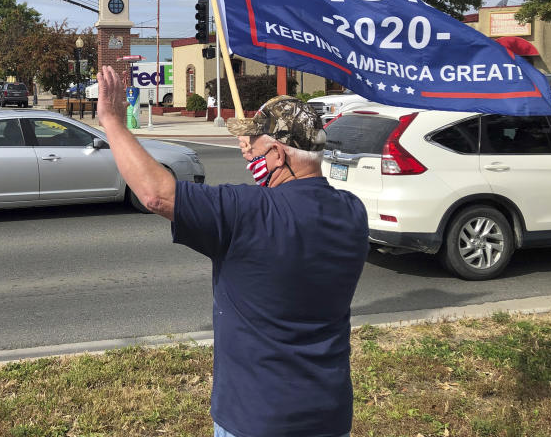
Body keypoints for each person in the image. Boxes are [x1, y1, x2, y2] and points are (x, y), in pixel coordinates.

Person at [96, 65, 368, 437]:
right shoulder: (353, 213)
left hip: (254, 417)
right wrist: (256, 144)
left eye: (253, 146)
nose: (246, 154)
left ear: (275, 154)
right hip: (330, 415)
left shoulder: (247, 212)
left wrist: (112, 122)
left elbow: (155, 194)